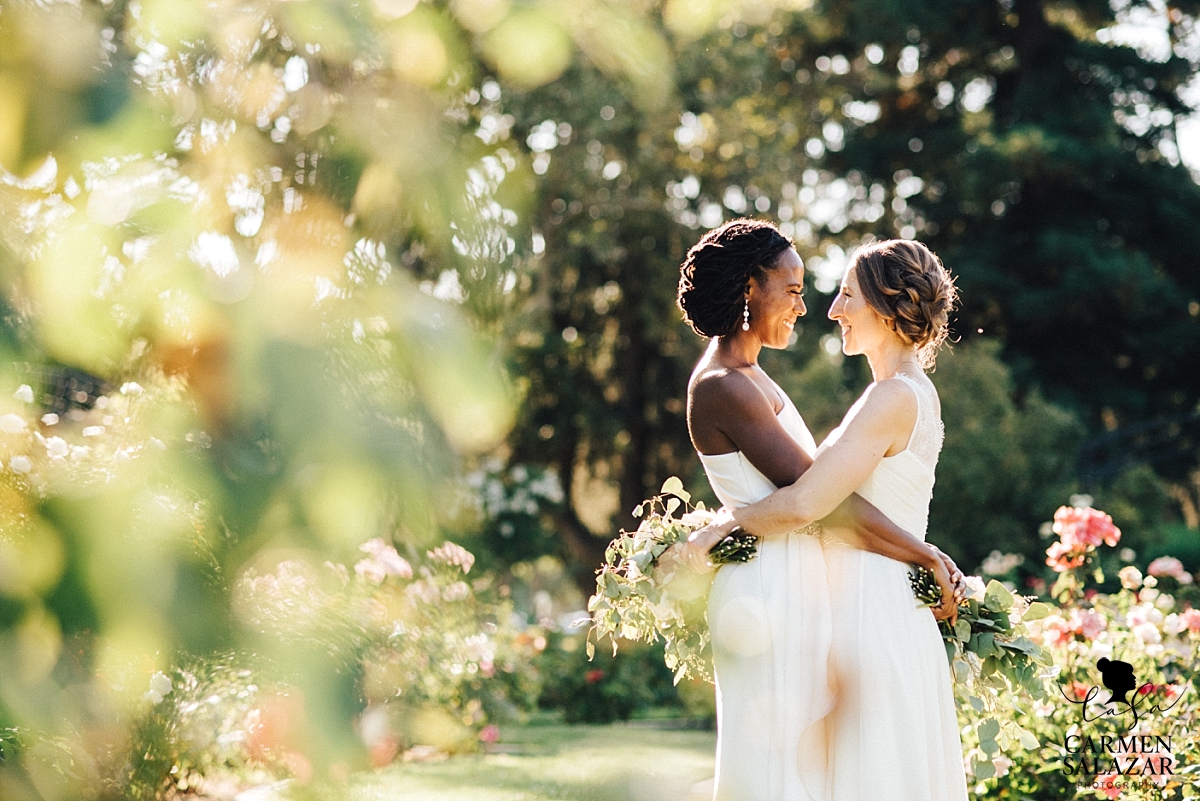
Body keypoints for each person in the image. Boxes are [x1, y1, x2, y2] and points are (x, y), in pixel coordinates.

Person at [676, 221, 962, 801]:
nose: (820, 309)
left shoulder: (772, 381)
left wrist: (722, 526)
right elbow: (815, 501)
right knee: (785, 770)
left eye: (838, 295)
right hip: (777, 589)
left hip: (834, 591)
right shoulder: (727, 385)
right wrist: (924, 552)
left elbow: (810, 499)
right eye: (796, 289)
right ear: (751, 288)